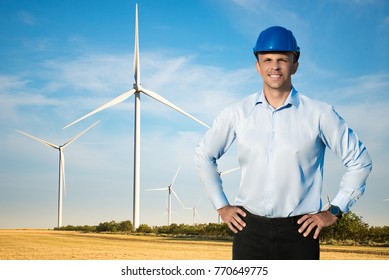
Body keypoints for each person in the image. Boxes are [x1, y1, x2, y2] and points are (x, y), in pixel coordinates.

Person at [194, 26, 372, 260]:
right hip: (248, 231)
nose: (274, 66)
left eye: (282, 60)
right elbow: (204, 154)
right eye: (267, 59)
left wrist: (335, 210)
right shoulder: (237, 112)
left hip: (300, 233)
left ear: (295, 65)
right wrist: (222, 206)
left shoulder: (320, 113)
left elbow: (360, 162)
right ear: (257, 66)